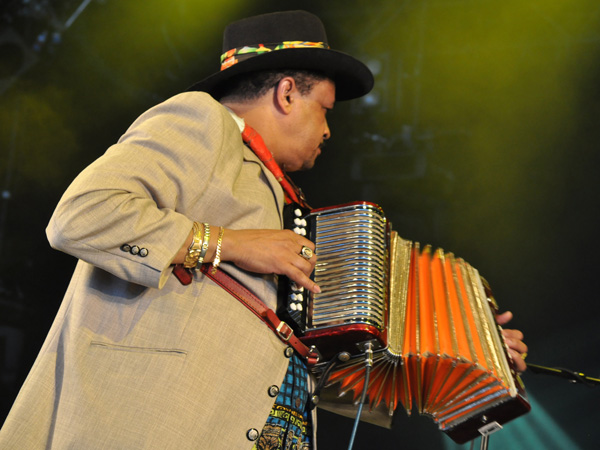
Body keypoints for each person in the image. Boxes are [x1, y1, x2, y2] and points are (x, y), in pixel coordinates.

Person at [0, 10, 527, 450]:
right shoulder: (201, 121)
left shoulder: (284, 200)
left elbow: (305, 359)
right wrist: (231, 243)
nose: (327, 131)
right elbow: (81, 216)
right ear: (286, 93)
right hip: (158, 421)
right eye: (325, 109)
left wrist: (468, 353)